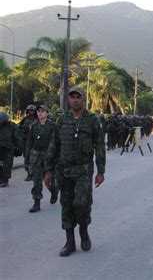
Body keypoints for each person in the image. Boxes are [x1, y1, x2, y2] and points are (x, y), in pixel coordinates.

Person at [44, 87, 106, 256]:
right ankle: (69, 242)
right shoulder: (62, 120)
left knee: (82, 203)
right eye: (72, 97)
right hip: (64, 170)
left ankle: (84, 230)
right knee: (66, 205)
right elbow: (54, 146)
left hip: (84, 170)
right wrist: (48, 170)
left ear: (83, 100)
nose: (75, 100)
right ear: (68, 101)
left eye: (78, 97)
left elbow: (100, 146)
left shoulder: (92, 120)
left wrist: (101, 171)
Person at [25, 105, 58, 212]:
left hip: (49, 156)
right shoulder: (34, 126)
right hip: (36, 156)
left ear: (47, 113)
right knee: (37, 181)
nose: (40, 113)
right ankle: (36, 203)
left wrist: (56, 157)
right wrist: (27, 158)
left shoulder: (53, 126)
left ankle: (54, 191)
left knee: (48, 181)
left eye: (43, 111)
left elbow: (57, 143)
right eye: (38, 111)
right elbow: (29, 143)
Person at [0, 112, 23, 187]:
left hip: (8, 148)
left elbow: (17, 137)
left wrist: (19, 147)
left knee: (7, 164)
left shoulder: (11, 126)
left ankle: (5, 180)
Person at [19, 104, 37, 181]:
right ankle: (29, 174)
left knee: (34, 158)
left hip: (34, 141)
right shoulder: (24, 119)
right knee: (26, 157)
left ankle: (34, 173)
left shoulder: (37, 119)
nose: (31, 112)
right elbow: (19, 127)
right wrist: (23, 129)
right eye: (29, 110)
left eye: (32, 110)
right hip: (25, 141)